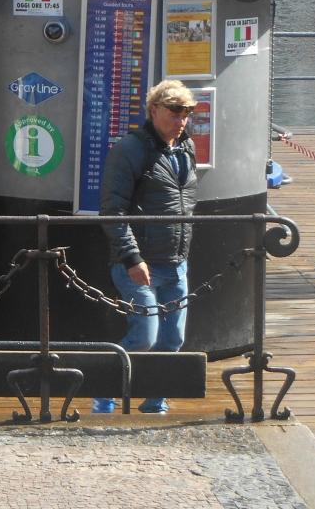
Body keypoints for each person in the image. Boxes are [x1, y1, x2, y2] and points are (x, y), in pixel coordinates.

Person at [93, 80, 199, 416]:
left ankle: (155, 402)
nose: (181, 120)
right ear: (154, 110)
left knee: (172, 340)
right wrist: (132, 257)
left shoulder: (186, 148)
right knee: (144, 335)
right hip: (140, 264)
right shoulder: (129, 150)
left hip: (176, 261)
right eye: (174, 112)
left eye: (186, 113)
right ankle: (104, 392)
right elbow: (112, 210)